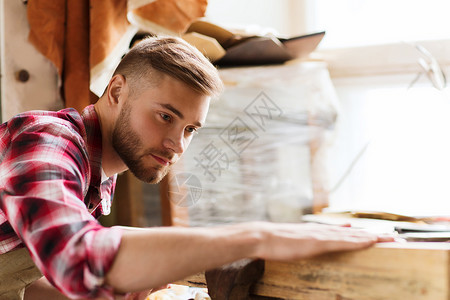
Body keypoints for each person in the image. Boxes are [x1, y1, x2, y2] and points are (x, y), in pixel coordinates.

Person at [0, 36, 393, 300]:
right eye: (165, 116)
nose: (178, 144)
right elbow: (75, 257)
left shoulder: (100, 170)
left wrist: (136, 284)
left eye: (190, 128)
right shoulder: (49, 140)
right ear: (117, 91)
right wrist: (256, 236)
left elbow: (36, 269)